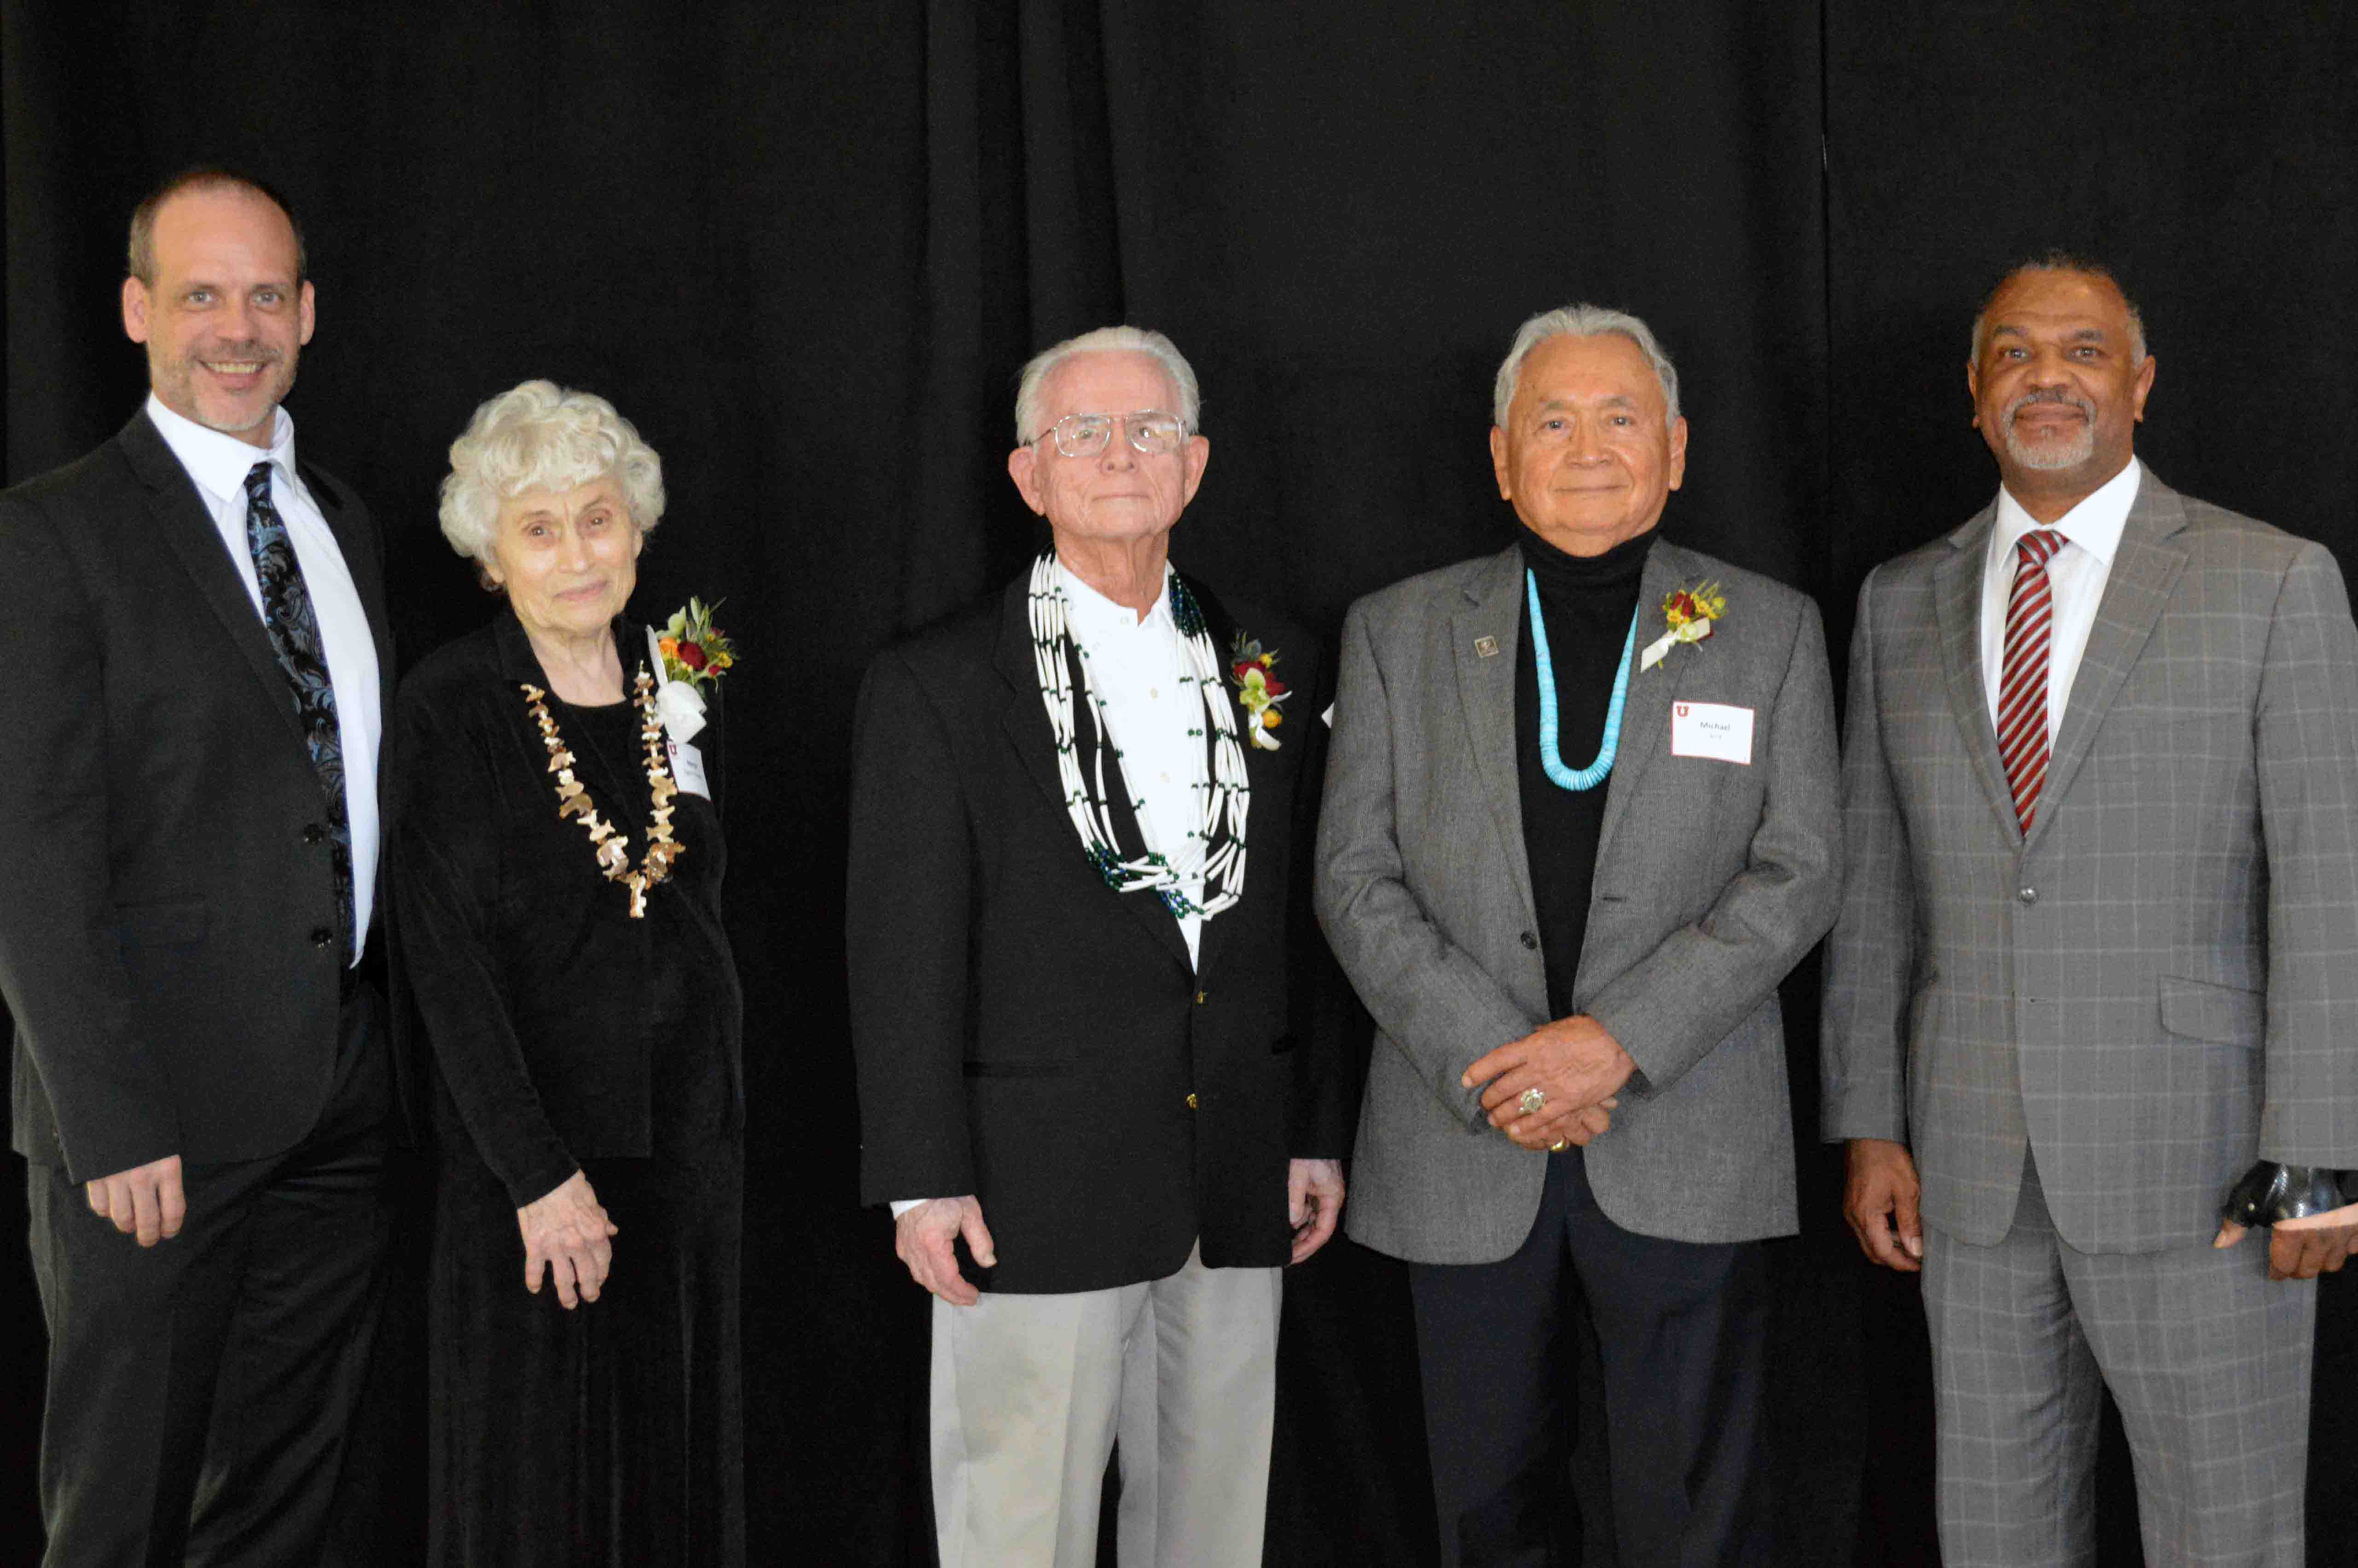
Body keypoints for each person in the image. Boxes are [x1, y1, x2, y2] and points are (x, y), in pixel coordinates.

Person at [1823, 255, 2358, 1567]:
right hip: (1966, 1167)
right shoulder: (1900, 602)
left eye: (2082, 350)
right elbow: (1874, 885)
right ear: (1972, 391)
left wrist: (2320, 1151)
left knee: (2221, 1533)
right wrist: (1868, 1120)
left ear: (2139, 383)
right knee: (1997, 1533)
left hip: (2208, 1166)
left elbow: (2327, 874)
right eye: (2013, 352)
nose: (2046, 376)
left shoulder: (2272, 580)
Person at [1315, 304, 1841, 1566]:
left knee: (1694, 1516)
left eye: (1621, 416)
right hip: (1466, 1135)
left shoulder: (1769, 628)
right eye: (1554, 419)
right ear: (1502, 457)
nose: (1590, 444)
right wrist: (1507, 1059)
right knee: (1485, 1508)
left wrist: (1616, 1042)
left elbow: (1800, 868)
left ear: (1676, 446)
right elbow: (1353, 876)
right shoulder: (1397, 630)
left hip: (1684, 1129)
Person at [847, 325, 1349, 1567]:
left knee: (1213, 1526)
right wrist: (921, 1177)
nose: (1119, 454)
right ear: (1028, 475)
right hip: (1030, 1189)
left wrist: (1307, 1125)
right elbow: (900, 942)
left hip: (1231, 1172)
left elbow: (1299, 915)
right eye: (1083, 431)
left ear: (1195, 466)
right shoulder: (937, 682)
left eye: (1149, 431)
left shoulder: (1273, 657)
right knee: (1021, 1530)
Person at [0, 167, 394, 1564]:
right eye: (202, 294)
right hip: (152, 1122)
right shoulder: (54, 532)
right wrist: (107, 1120)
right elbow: (31, 854)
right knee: (120, 1506)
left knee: (284, 1488)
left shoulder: (340, 519)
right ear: (134, 310)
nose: (239, 327)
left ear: (308, 312)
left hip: (342, 1103)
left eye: (266, 294)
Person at [391, 381, 744, 1565]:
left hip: (686, 1167)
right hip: (532, 1175)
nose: (576, 552)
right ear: (493, 558)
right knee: (540, 1494)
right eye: (538, 528)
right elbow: (442, 966)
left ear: (637, 529)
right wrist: (542, 1177)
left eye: (597, 516)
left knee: (669, 1482)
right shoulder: (450, 705)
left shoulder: (676, 677)